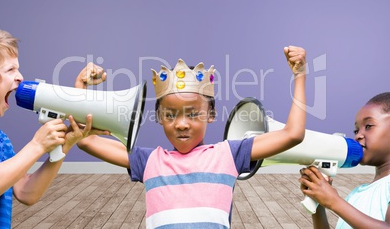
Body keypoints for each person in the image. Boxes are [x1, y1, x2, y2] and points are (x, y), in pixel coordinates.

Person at [76, 46, 307, 228]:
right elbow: (85, 139)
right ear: (159, 117)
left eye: (194, 114)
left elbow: (292, 134)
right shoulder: (149, 161)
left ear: (212, 115)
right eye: (170, 115)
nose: (182, 124)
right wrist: (81, 87)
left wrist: (300, 75)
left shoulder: (229, 155)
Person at [0, 27, 107, 228]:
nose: (20, 77)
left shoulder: (0, 139)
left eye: (18, 68)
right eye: (10, 70)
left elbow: (26, 192)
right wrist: (37, 145)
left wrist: (65, 145)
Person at [299, 92, 390, 229]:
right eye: (356, 130)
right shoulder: (356, 194)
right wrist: (318, 203)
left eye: (369, 126)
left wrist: (334, 202)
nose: (358, 135)